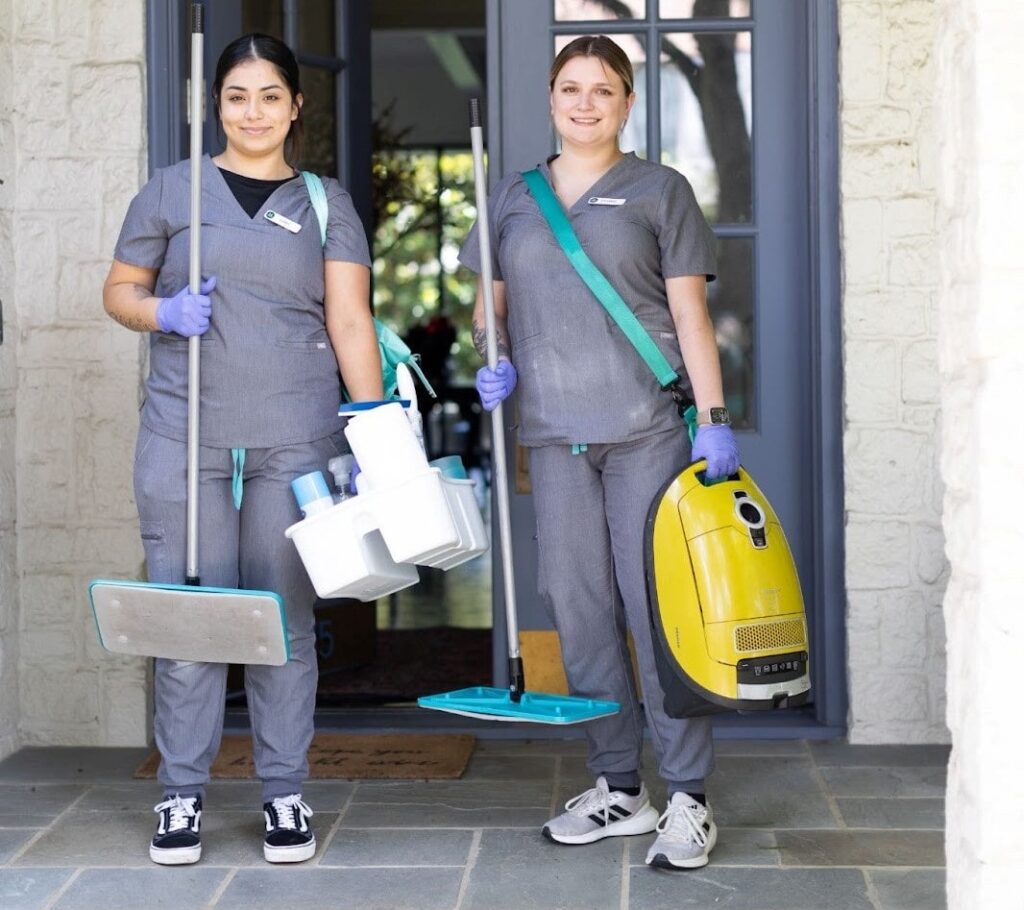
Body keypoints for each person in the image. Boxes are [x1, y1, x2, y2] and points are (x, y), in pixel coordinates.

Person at [460, 35, 739, 870]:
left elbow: (691, 316)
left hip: (646, 431)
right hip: (551, 433)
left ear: (626, 103)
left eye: (604, 91)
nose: (586, 104)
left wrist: (714, 415)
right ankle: (619, 783)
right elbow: (490, 306)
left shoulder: (661, 190)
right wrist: (489, 356)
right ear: (551, 98)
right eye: (571, 89)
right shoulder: (511, 197)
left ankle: (688, 795)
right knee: (578, 613)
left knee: (656, 615)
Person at [103, 33, 382, 866]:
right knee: (188, 615)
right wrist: (163, 313)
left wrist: (371, 424)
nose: (252, 112)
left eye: (269, 96)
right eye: (236, 96)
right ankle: (181, 796)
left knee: (280, 621)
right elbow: (120, 290)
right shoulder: (171, 192)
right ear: (214, 103)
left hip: (294, 441)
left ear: (296, 106)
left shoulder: (326, 205)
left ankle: (284, 793)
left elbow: (350, 321)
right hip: (184, 434)